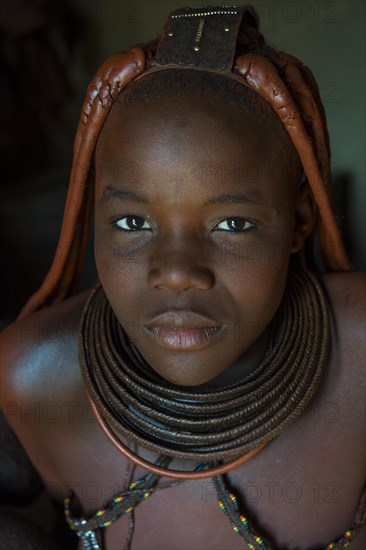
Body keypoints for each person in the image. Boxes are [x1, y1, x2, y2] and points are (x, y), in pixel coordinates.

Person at [1, 5, 365, 549]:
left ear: (300, 223)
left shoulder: (359, 354)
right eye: (131, 222)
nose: (176, 273)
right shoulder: (32, 374)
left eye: (233, 224)